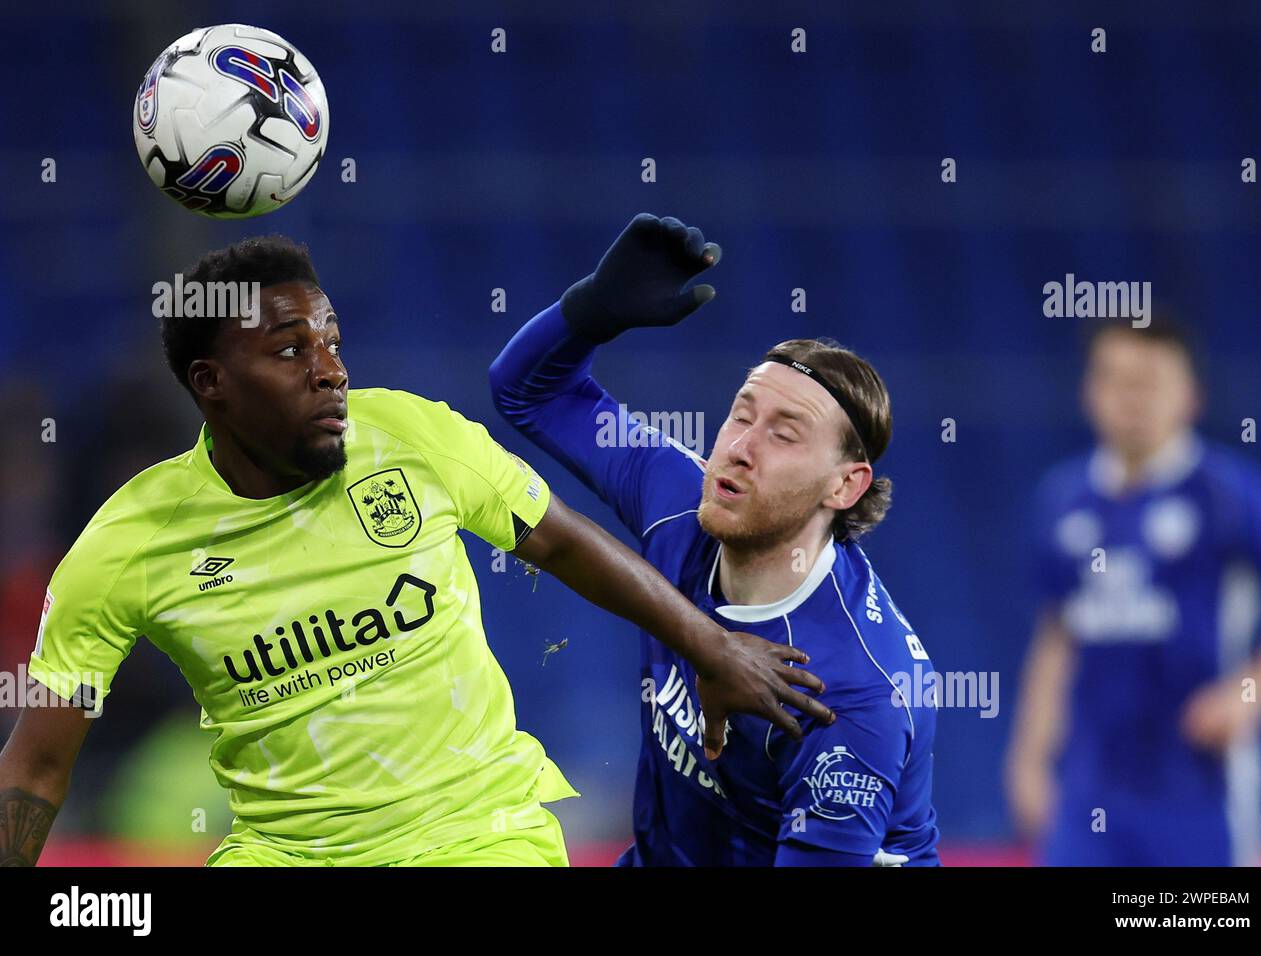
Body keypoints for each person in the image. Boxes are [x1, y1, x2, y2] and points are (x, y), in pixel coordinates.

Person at [0, 235, 835, 868]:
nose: (330, 371)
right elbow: (38, 765)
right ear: (210, 384)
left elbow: (561, 541)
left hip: (478, 832)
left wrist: (712, 645)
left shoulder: (406, 434)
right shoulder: (126, 546)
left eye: (332, 341)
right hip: (286, 854)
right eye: (292, 350)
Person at [490, 214, 940, 866]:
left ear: (844, 486)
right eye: (741, 414)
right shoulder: (681, 499)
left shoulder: (851, 694)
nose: (740, 448)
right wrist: (591, 311)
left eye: (784, 434)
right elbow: (528, 392)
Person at [1005, 319, 1261, 866]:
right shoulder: (1064, 498)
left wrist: (1249, 691)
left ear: (1190, 395)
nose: (1130, 397)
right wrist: (1028, 757)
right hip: (1089, 793)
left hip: (1200, 790)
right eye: (1114, 378)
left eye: (1149, 381)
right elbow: (1057, 635)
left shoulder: (1229, 492)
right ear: (1089, 392)